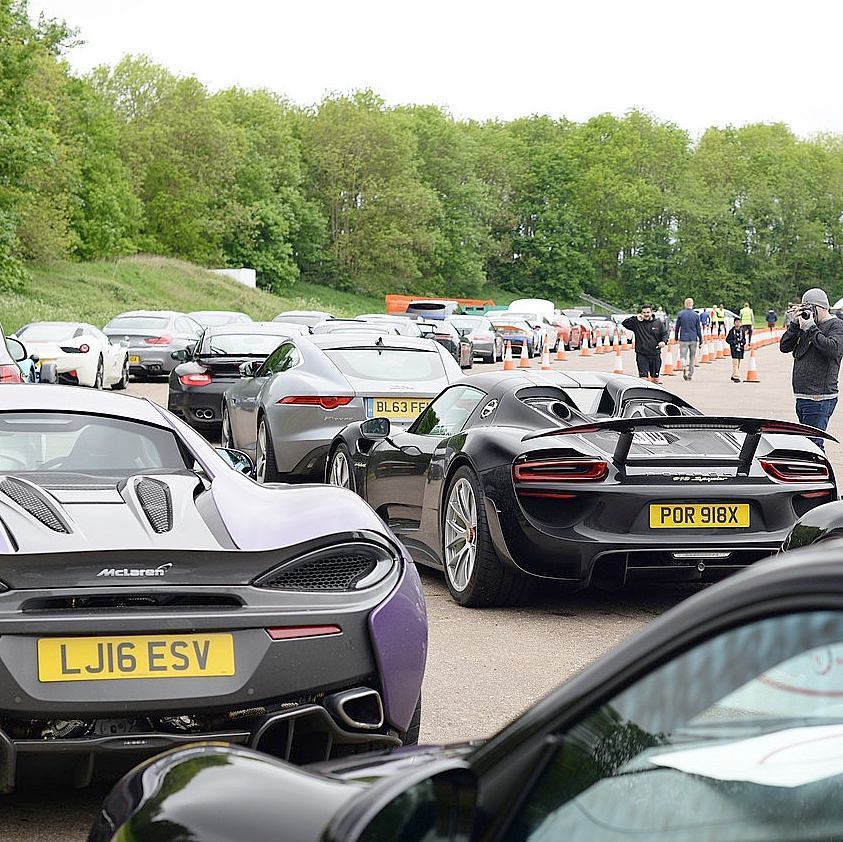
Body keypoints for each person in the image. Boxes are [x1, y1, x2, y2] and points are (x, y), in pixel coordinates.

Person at [780, 288, 843, 449]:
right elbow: (784, 346)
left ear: (821, 307)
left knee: (813, 445)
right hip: (803, 396)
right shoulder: (805, 324)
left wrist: (810, 328)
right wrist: (795, 325)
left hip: (820, 397)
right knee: (806, 443)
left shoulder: (836, 325)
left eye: (809, 308)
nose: (807, 312)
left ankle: (819, 474)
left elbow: (833, 349)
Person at [622, 304, 669, 383]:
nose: (646, 314)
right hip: (642, 354)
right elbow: (624, 323)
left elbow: (665, 334)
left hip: (655, 354)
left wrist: (663, 342)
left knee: (655, 379)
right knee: (643, 379)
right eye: (644, 313)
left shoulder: (658, 323)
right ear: (641, 313)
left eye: (648, 312)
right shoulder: (637, 323)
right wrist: (635, 318)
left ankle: (654, 394)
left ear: (651, 312)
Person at [674, 297, 703, 381]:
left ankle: (683, 366)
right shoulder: (696, 315)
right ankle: (690, 374)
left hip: (683, 338)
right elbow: (698, 328)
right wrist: (701, 339)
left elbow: (677, 327)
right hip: (693, 338)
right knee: (692, 357)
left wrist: (676, 337)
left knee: (683, 356)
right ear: (692, 304)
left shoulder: (680, 314)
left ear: (685, 304)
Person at [726, 317, 746, 382]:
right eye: (736, 322)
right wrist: (733, 342)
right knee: (735, 363)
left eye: (739, 322)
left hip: (740, 349)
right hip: (734, 349)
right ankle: (736, 376)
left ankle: (733, 374)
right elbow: (727, 339)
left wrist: (743, 342)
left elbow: (744, 339)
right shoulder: (732, 331)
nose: (738, 323)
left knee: (738, 363)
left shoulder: (742, 331)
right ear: (734, 323)